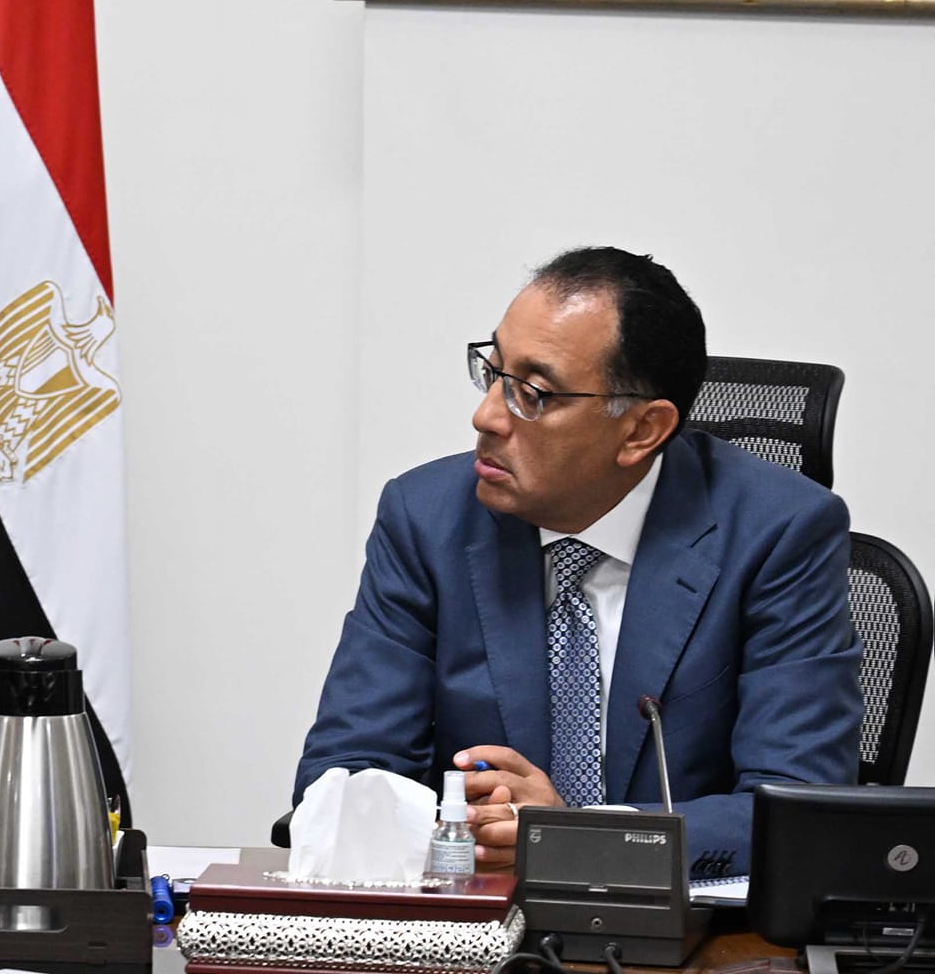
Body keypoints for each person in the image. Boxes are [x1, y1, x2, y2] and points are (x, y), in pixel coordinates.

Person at [294, 246, 860, 876]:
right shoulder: (427, 518)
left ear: (642, 430)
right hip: (477, 911)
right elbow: (344, 774)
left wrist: (579, 838)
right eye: (493, 372)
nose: (486, 416)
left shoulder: (778, 532)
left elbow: (795, 808)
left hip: (678, 923)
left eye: (534, 393)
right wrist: (455, 823)